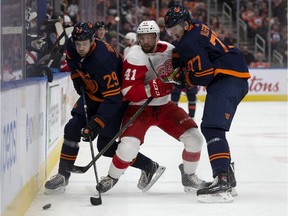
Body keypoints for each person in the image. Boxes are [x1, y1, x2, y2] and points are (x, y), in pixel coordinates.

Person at [45, 22, 163, 193]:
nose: (80, 48)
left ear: (93, 40)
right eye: (78, 44)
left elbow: (113, 98)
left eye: (84, 44)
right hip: (93, 95)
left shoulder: (103, 60)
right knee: (72, 128)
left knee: (105, 146)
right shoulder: (72, 44)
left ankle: (149, 166)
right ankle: (63, 175)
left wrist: (96, 123)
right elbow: (72, 61)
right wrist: (77, 77)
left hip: (114, 101)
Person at [96, 20, 209, 194]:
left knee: (195, 139)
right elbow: (127, 91)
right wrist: (152, 89)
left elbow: (182, 73)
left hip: (165, 106)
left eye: (150, 37)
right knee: (127, 147)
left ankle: (189, 176)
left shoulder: (170, 50)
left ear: (157, 37)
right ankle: (111, 177)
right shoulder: (134, 55)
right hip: (139, 108)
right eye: (142, 37)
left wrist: (182, 78)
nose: (146, 41)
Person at [164, 5, 251, 203]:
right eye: (169, 30)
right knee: (212, 127)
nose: (173, 33)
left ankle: (222, 181)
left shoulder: (188, 41)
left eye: (175, 28)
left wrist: (183, 79)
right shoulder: (196, 27)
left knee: (212, 127)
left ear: (185, 24)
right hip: (232, 75)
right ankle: (227, 176)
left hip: (227, 78)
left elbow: (204, 75)